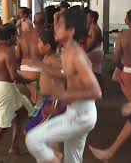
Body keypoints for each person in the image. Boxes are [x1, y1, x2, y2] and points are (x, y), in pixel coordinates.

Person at [26, 8, 101, 163]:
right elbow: (75, 86)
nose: (55, 28)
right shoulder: (67, 52)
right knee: (73, 159)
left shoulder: (77, 55)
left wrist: (65, 96)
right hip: (77, 112)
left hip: (82, 115)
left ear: (71, 31)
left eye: (59, 25)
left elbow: (96, 91)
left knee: (34, 140)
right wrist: (60, 107)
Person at [0, 23, 33, 158]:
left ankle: (14, 147)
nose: (17, 37)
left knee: (22, 112)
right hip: (5, 89)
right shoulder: (8, 51)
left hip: (0, 87)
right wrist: (29, 81)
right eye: (15, 35)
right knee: (2, 127)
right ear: (11, 36)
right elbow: (14, 76)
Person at [25, 29, 66, 132]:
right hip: (47, 100)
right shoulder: (48, 56)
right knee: (46, 133)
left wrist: (40, 64)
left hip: (53, 100)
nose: (37, 45)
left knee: (31, 131)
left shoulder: (55, 58)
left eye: (39, 42)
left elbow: (63, 73)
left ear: (47, 46)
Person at [16, 12, 46, 103]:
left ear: (33, 22)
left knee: (26, 104)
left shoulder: (22, 37)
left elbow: (17, 57)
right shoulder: (45, 37)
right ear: (45, 23)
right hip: (39, 72)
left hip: (23, 72)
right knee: (38, 104)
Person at [86, 10, 104, 80]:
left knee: (94, 73)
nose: (87, 19)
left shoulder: (94, 27)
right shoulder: (94, 27)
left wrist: (86, 50)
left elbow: (94, 40)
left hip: (94, 52)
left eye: (88, 17)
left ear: (92, 18)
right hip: (95, 51)